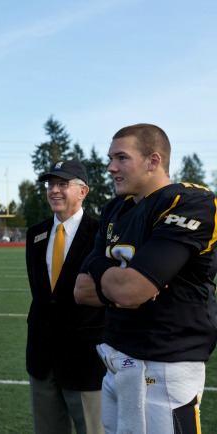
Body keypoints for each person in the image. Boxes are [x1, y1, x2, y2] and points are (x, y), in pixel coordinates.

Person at [74, 123, 217, 433]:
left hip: (166, 364)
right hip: (116, 360)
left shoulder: (189, 202)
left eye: (121, 158)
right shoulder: (115, 209)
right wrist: (116, 276)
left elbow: (131, 291)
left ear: (154, 160)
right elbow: (81, 290)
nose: (111, 167)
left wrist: (104, 268)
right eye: (110, 158)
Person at [25, 160, 106, 434]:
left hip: (85, 361)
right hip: (42, 359)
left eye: (63, 184)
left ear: (83, 191)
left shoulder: (102, 234)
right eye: (51, 184)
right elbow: (41, 295)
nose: (54, 191)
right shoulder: (35, 234)